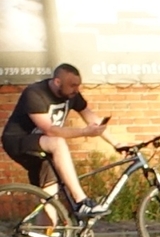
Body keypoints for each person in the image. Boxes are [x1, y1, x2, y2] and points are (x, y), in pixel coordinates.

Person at [4, 64, 112, 220]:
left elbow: (93, 119)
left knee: (50, 197)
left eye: (78, 85)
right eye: (72, 85)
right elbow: (50, 130)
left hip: (43, 146)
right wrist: (84, 132)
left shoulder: (72, 95)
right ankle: (81, 200)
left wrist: (117, 144)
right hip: (17, 142)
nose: (76, 89)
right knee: (58, 142)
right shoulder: (35, 93)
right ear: (57, 82)